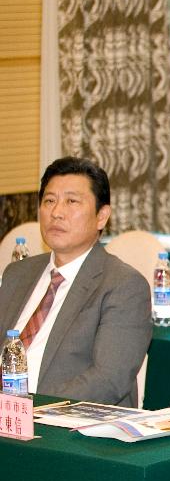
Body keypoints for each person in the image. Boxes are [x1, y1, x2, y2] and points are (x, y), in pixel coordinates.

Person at [0, 157, 151, 406]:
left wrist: (26, 409)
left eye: (71, 201)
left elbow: (108, 380)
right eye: (49, 201)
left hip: (69, 428)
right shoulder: (18, 273)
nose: (56, 212)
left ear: (102, 216)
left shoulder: (124, 285)